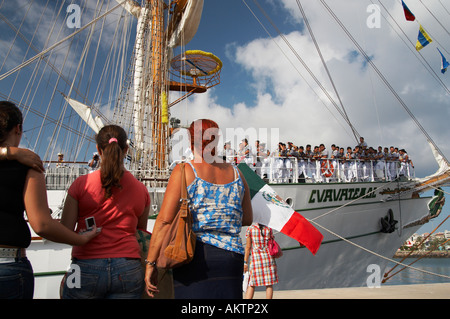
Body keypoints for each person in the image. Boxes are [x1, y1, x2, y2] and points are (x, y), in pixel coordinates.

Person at [145, 119, 253, 299]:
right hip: (232, 256)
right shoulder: (237, 173)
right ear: (217, 140)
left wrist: (150, 263)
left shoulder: (184, 171)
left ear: (190, 140)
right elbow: (247, 218)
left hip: (193, 254)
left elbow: (164, 221)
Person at [0, 101, 98, 299]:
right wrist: (80, 239)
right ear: (18, 128)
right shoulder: (28, 166)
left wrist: (7, 152)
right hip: (8, 265)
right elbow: (42, 225)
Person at [60, 124, 150, 299]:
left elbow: (64, 229)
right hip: (129, 268)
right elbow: (139, 231)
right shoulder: (141, 190)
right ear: (126, 149)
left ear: (98, 150)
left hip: (84, 265)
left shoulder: (81, 184)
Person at [244, 223, 278, 299]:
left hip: (256, 260)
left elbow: (248, 247)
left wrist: (245, 262)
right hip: (268, 258)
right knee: (269, 284)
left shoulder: (250, 229)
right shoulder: (268, 229)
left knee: (251, 284)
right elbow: (271, 243)